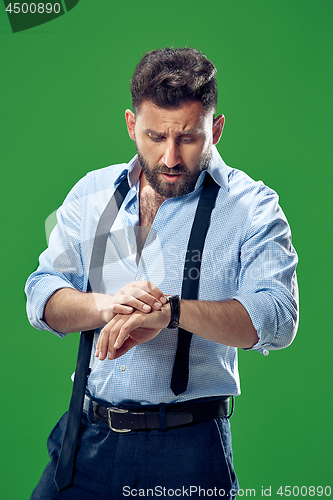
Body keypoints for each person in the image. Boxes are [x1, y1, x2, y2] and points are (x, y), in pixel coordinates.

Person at [25, 47, 299, 500]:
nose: (170, 157)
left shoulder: (252, 207)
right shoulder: (94, 193)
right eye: (155, 137)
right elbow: (42, 293)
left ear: (216, 129)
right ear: (132, 125)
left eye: (189, 138)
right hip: (85, 441)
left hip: (188, 453)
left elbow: (277, 316)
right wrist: (107, 304)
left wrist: (170, 312)